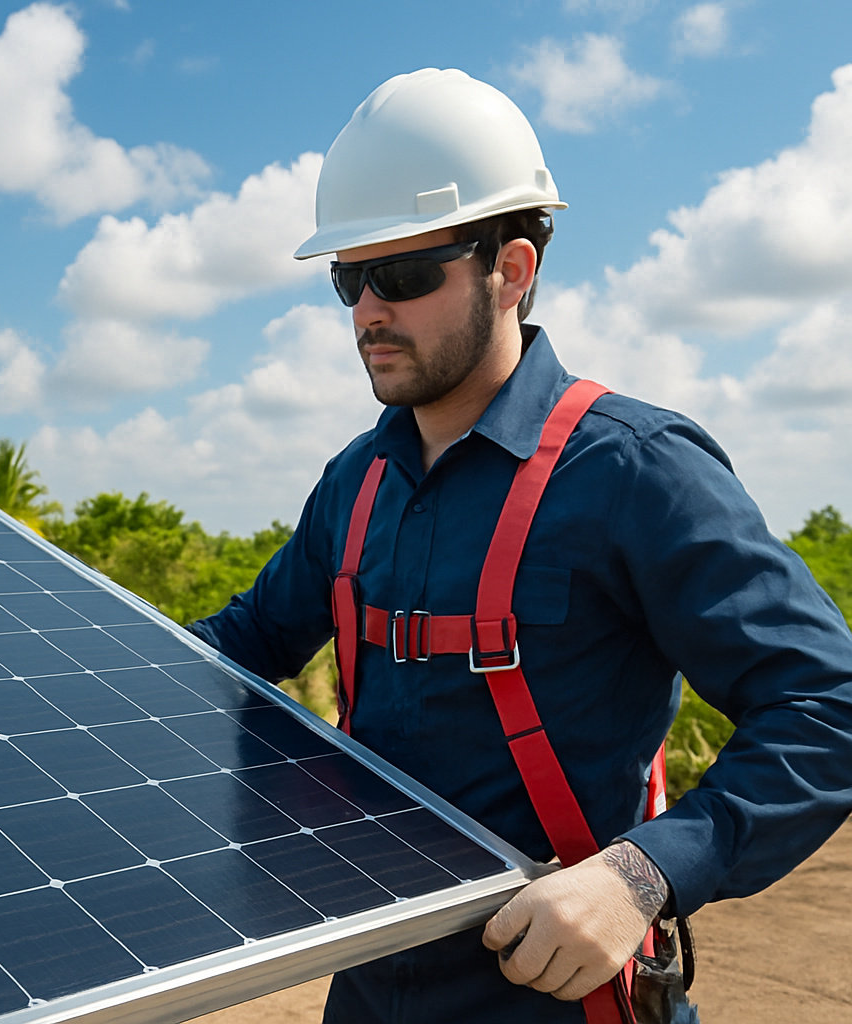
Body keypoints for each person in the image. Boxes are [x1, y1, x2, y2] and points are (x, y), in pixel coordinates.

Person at [188, 68, 852, 1023]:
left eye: (405, 276)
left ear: (512, 270)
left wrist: (640, 876)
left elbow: (824, 706)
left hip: (556, 997)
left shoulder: (636, 471)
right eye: (349, 278)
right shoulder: (354, 485)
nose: (368, 310)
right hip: (371, 991)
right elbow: (235, 651)